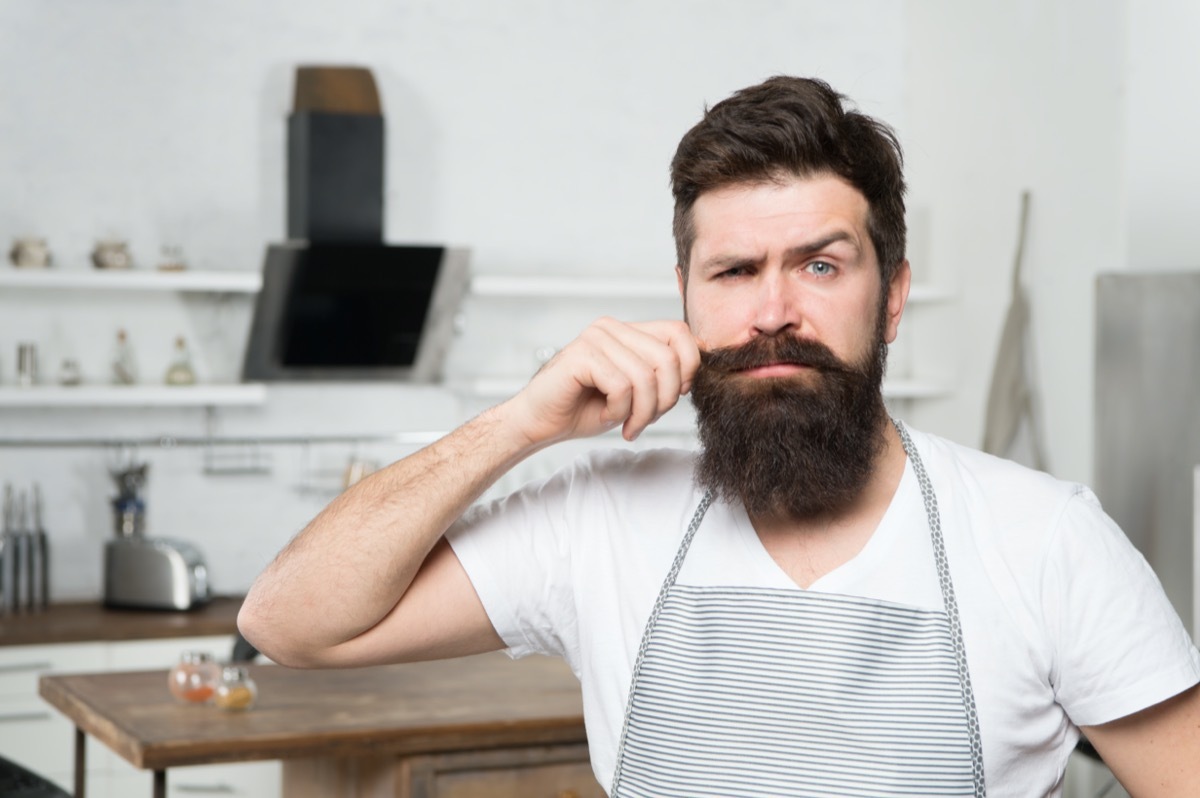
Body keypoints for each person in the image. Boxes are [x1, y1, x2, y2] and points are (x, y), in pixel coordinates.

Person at [238, 76, 1200, 797]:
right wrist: (520, 424)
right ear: (686, 296)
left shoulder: (1047, 541)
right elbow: (287, 624)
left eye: (820, 266)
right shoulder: (595, 521)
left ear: (893, 296)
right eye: (735, 271)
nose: (772, 312)